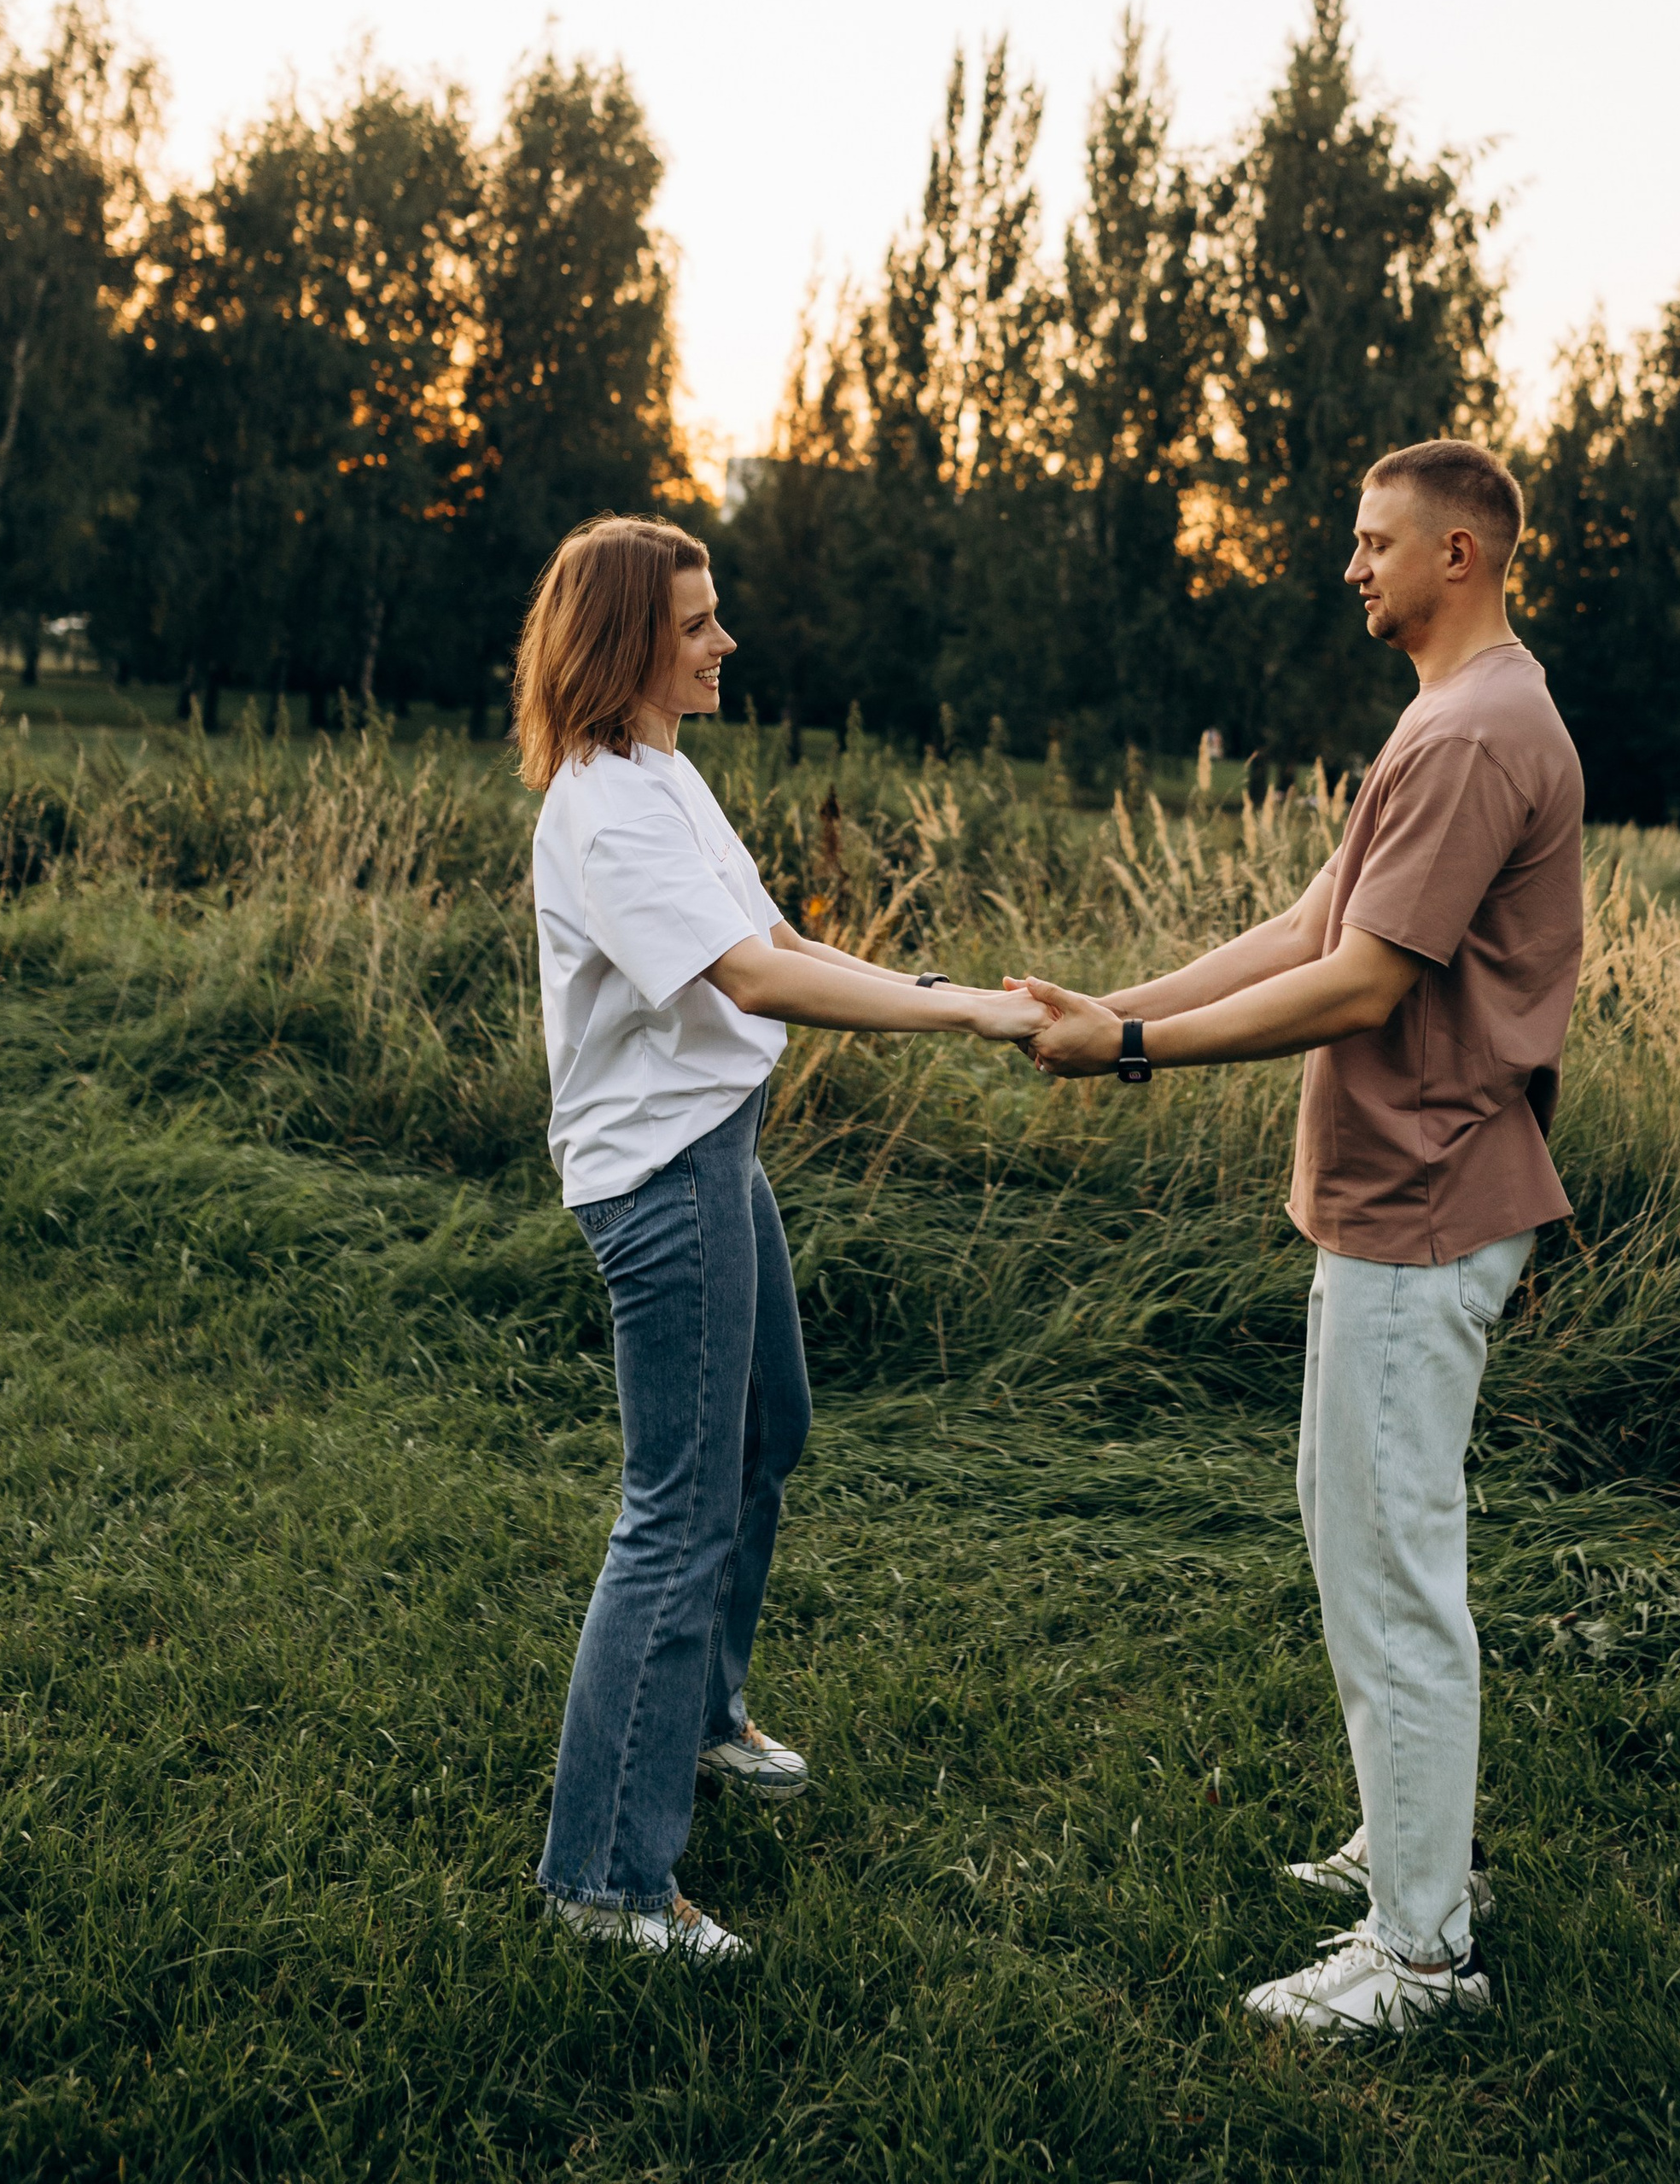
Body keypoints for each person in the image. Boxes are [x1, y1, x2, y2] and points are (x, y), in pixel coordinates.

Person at [1020, 440, 1583, 2035]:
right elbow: (1312, 925)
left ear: (1459, 554)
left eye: (1374, 540)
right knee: (1357, 1531)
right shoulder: (1448, 718)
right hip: (1395, 1198)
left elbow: (1357, 986)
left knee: (1393, 1570)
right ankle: (1409, 1856)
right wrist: (1117, 1005)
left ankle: (1421, 1960)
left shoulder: (1474, 735)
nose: (1351, 565)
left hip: (1423, 1201)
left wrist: (1132, 1058)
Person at [516, 513, 1044, 1965]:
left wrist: (944, 991)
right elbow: (753, 978)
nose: (725, 641)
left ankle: (694, 1720)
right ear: (631, 641)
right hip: (665, 1178)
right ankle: (605, 1881)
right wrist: (966, 1018)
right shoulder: (605, 808)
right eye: (698, 623)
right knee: (676, 1507)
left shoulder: (663, 776)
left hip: (718, 1153)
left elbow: (786, 943)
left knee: (766, 1438)